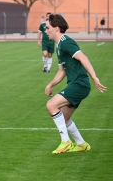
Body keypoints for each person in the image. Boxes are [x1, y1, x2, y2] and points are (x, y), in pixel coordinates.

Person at [45, 14, 107, 154]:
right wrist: (50, 85)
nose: (45, 30)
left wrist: (95, 77)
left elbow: (83, 57)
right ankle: (81, 144)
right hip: (76, 84)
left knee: (51, 105)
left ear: (56, 28)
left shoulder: (66, 42)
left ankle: (65, 142)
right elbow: (62, 71)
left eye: (47, 27)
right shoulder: (59, 46)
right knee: (64, 118)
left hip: (79, 84)